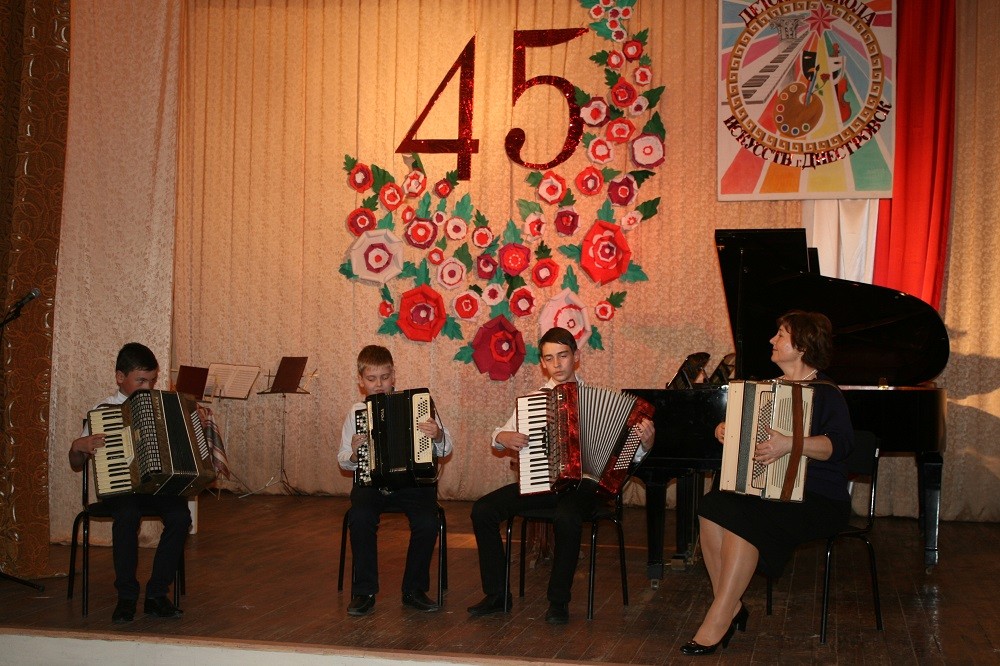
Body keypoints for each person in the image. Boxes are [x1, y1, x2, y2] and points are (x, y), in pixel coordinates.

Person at [681, 311, 854, 656]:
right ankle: (730, 605)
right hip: (768, 491)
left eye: (781, 335)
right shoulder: (765, 389)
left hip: (818, 498)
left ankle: (718, 617)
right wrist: (724, 430)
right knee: (712, 506)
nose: (772, 340)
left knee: (743, 517)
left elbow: (840, 446)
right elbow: (748, 438)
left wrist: (791, 443)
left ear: (802, 346)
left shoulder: (826, 393)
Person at [468, 326, 656, 625]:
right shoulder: (534, 401)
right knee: (483, 509)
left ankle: (558, 601)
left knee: (567, 516)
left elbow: (628, 458)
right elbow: (499, 435)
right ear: (542, 363)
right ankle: (497, 595)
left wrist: (645, 444)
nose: (556, 364)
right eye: (549, 358)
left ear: (576, 357)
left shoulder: (598, 399)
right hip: (542, 482)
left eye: (563, 356)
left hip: (587, 489)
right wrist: (503, 436)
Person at [68, 342, 192, 624]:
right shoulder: (103, 411)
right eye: (141, 380)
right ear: (119, 377)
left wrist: (195, 419)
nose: (148, 387)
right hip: (121, 486)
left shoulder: (162, 407)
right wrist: (78, 446)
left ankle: (156, 594)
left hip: (157, 486)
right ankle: (126, 596)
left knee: (180, 516)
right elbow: (76, 463)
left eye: (152, 380)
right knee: (127, 515)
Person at [337, 345, 453, 616]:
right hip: (372, 482)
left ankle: (414, 590)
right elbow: (343, 460)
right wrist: (353, 453)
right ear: (361, 381)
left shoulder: (418, 404)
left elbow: (446, 448)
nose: (379, 384)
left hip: (413, 482)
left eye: (385, 377)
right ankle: (364, 592)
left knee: (427, 521)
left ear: (394, 376)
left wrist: (437, 435)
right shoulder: (356, 412)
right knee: (360, 516)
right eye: (371, 379)